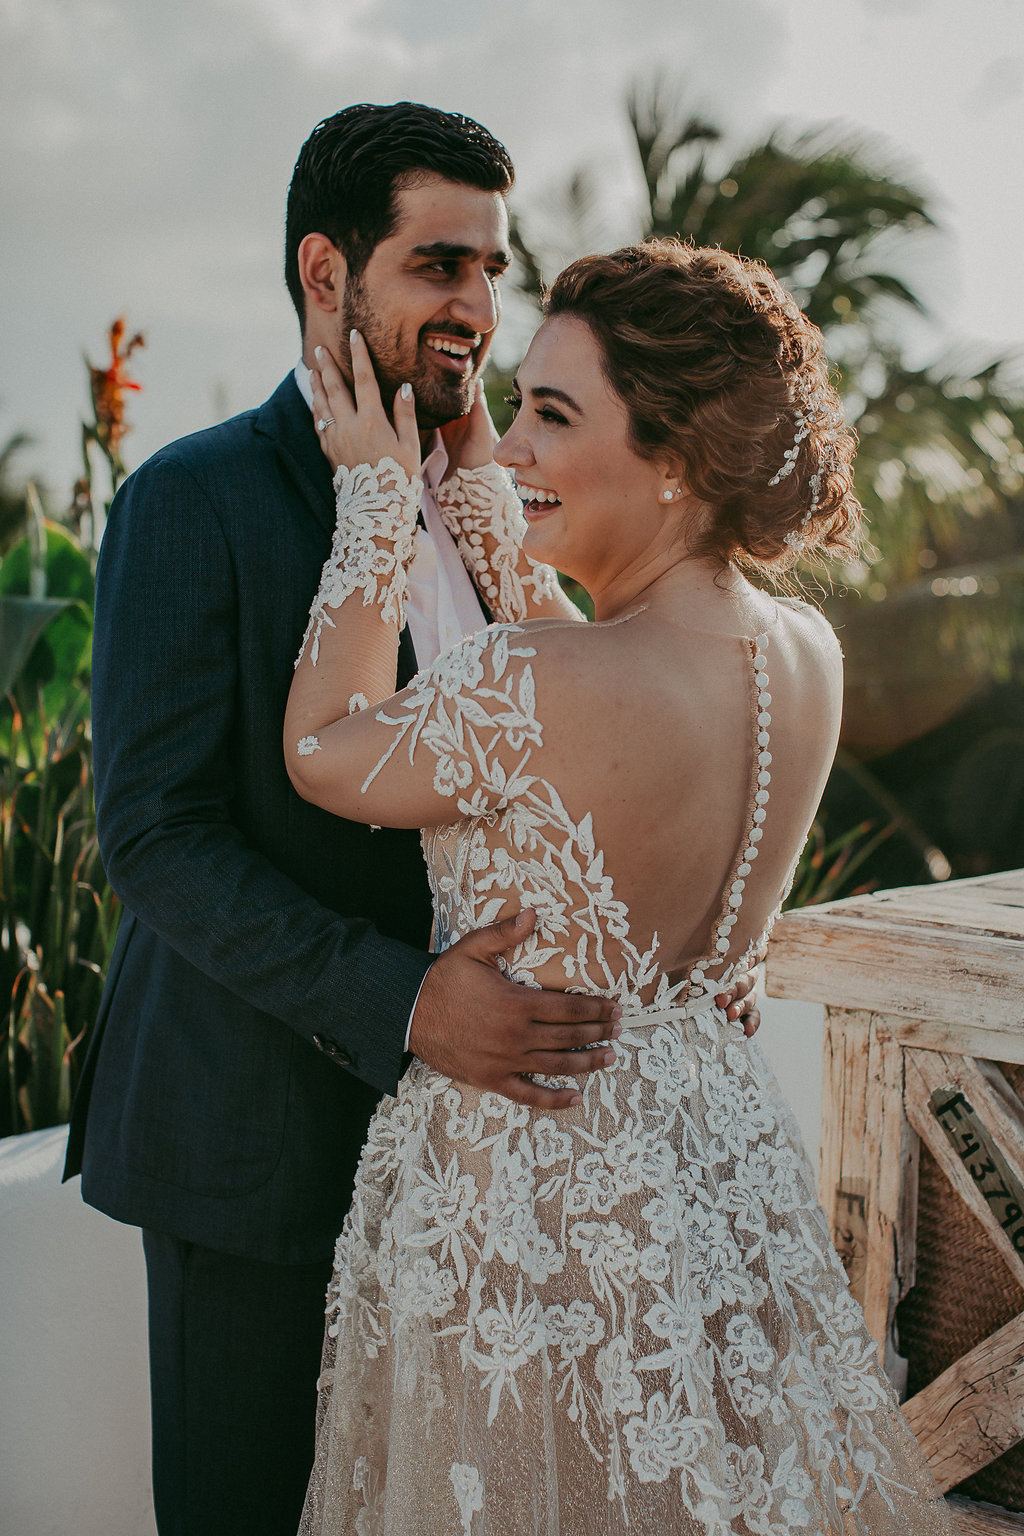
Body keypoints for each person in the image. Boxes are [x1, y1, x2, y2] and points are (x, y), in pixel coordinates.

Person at [62, 104, 760, 1536]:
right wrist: (403, 1005)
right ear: (328, 275)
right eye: (439, 265)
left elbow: (590, 747)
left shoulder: (513, 502)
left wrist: (673, 944)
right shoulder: (191, 499)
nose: (477, 310)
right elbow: (158, 835)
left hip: (487, 1183)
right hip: (255, 1152)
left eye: (493, 270)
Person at [283, 242, 959, 1534]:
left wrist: (379, 502)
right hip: (708, 1168)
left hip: (529, 1185)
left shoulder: (536, 679)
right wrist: (504, 516)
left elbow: (323, 751)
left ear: (677, 463)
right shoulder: (802, 654)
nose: (509, 445)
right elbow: (626, 683)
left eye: (551, 414)